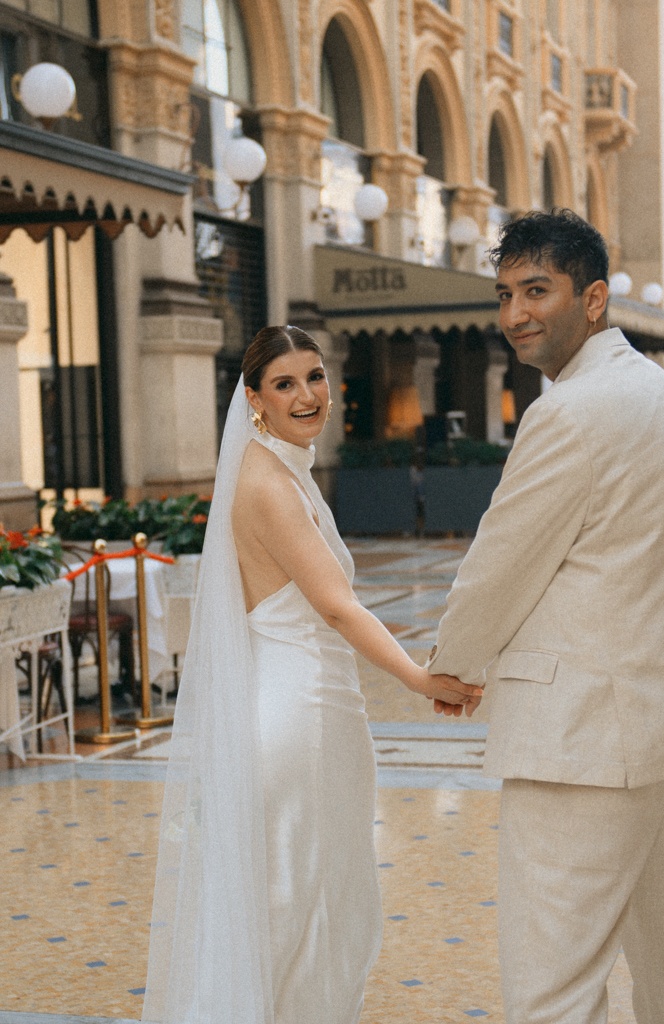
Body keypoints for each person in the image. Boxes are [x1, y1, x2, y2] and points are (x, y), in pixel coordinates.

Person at [142, 325, 482, 1024]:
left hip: (305, 708)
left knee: (307, 894)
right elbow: (335, 606)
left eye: (315, 376)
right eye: (285, 383)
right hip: (300, 718)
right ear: (254, 400)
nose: (307, 395)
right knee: (299, 903)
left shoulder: (278, 468)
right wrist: (418, 678)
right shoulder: (269, 484)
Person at [428, 209, 664, 1024]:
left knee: (552, 987)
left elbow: (499, 566)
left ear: (593, 298)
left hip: (575, 744)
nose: (515, 314)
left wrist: (450, 665)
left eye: (536, 291)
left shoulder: (567, 412)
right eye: (504, 294)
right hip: (662, 734)